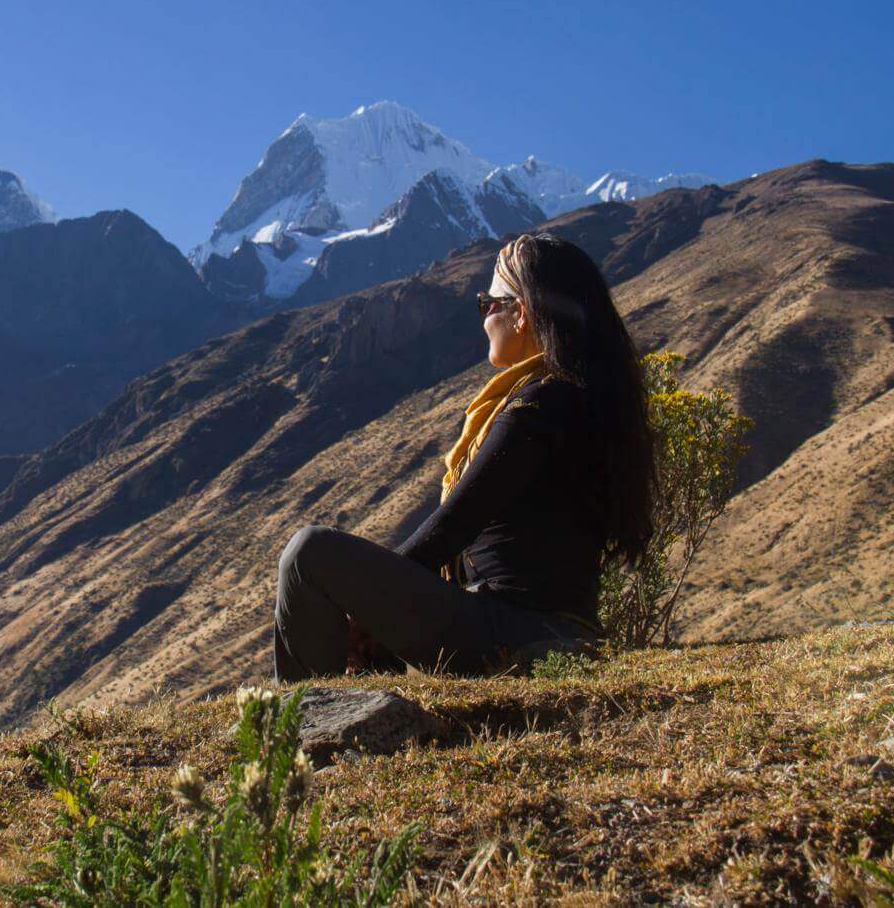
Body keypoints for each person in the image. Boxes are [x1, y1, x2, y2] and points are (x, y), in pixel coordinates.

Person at [272, 231, 657, 682]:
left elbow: (452, 527)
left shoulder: (540, 405)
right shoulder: (578, 400)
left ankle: (293, 730)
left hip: (515, 630)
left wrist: (364, 613)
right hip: (547, 626)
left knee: (308, 553)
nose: (483, 318)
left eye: (488, 303)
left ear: (522, 314)